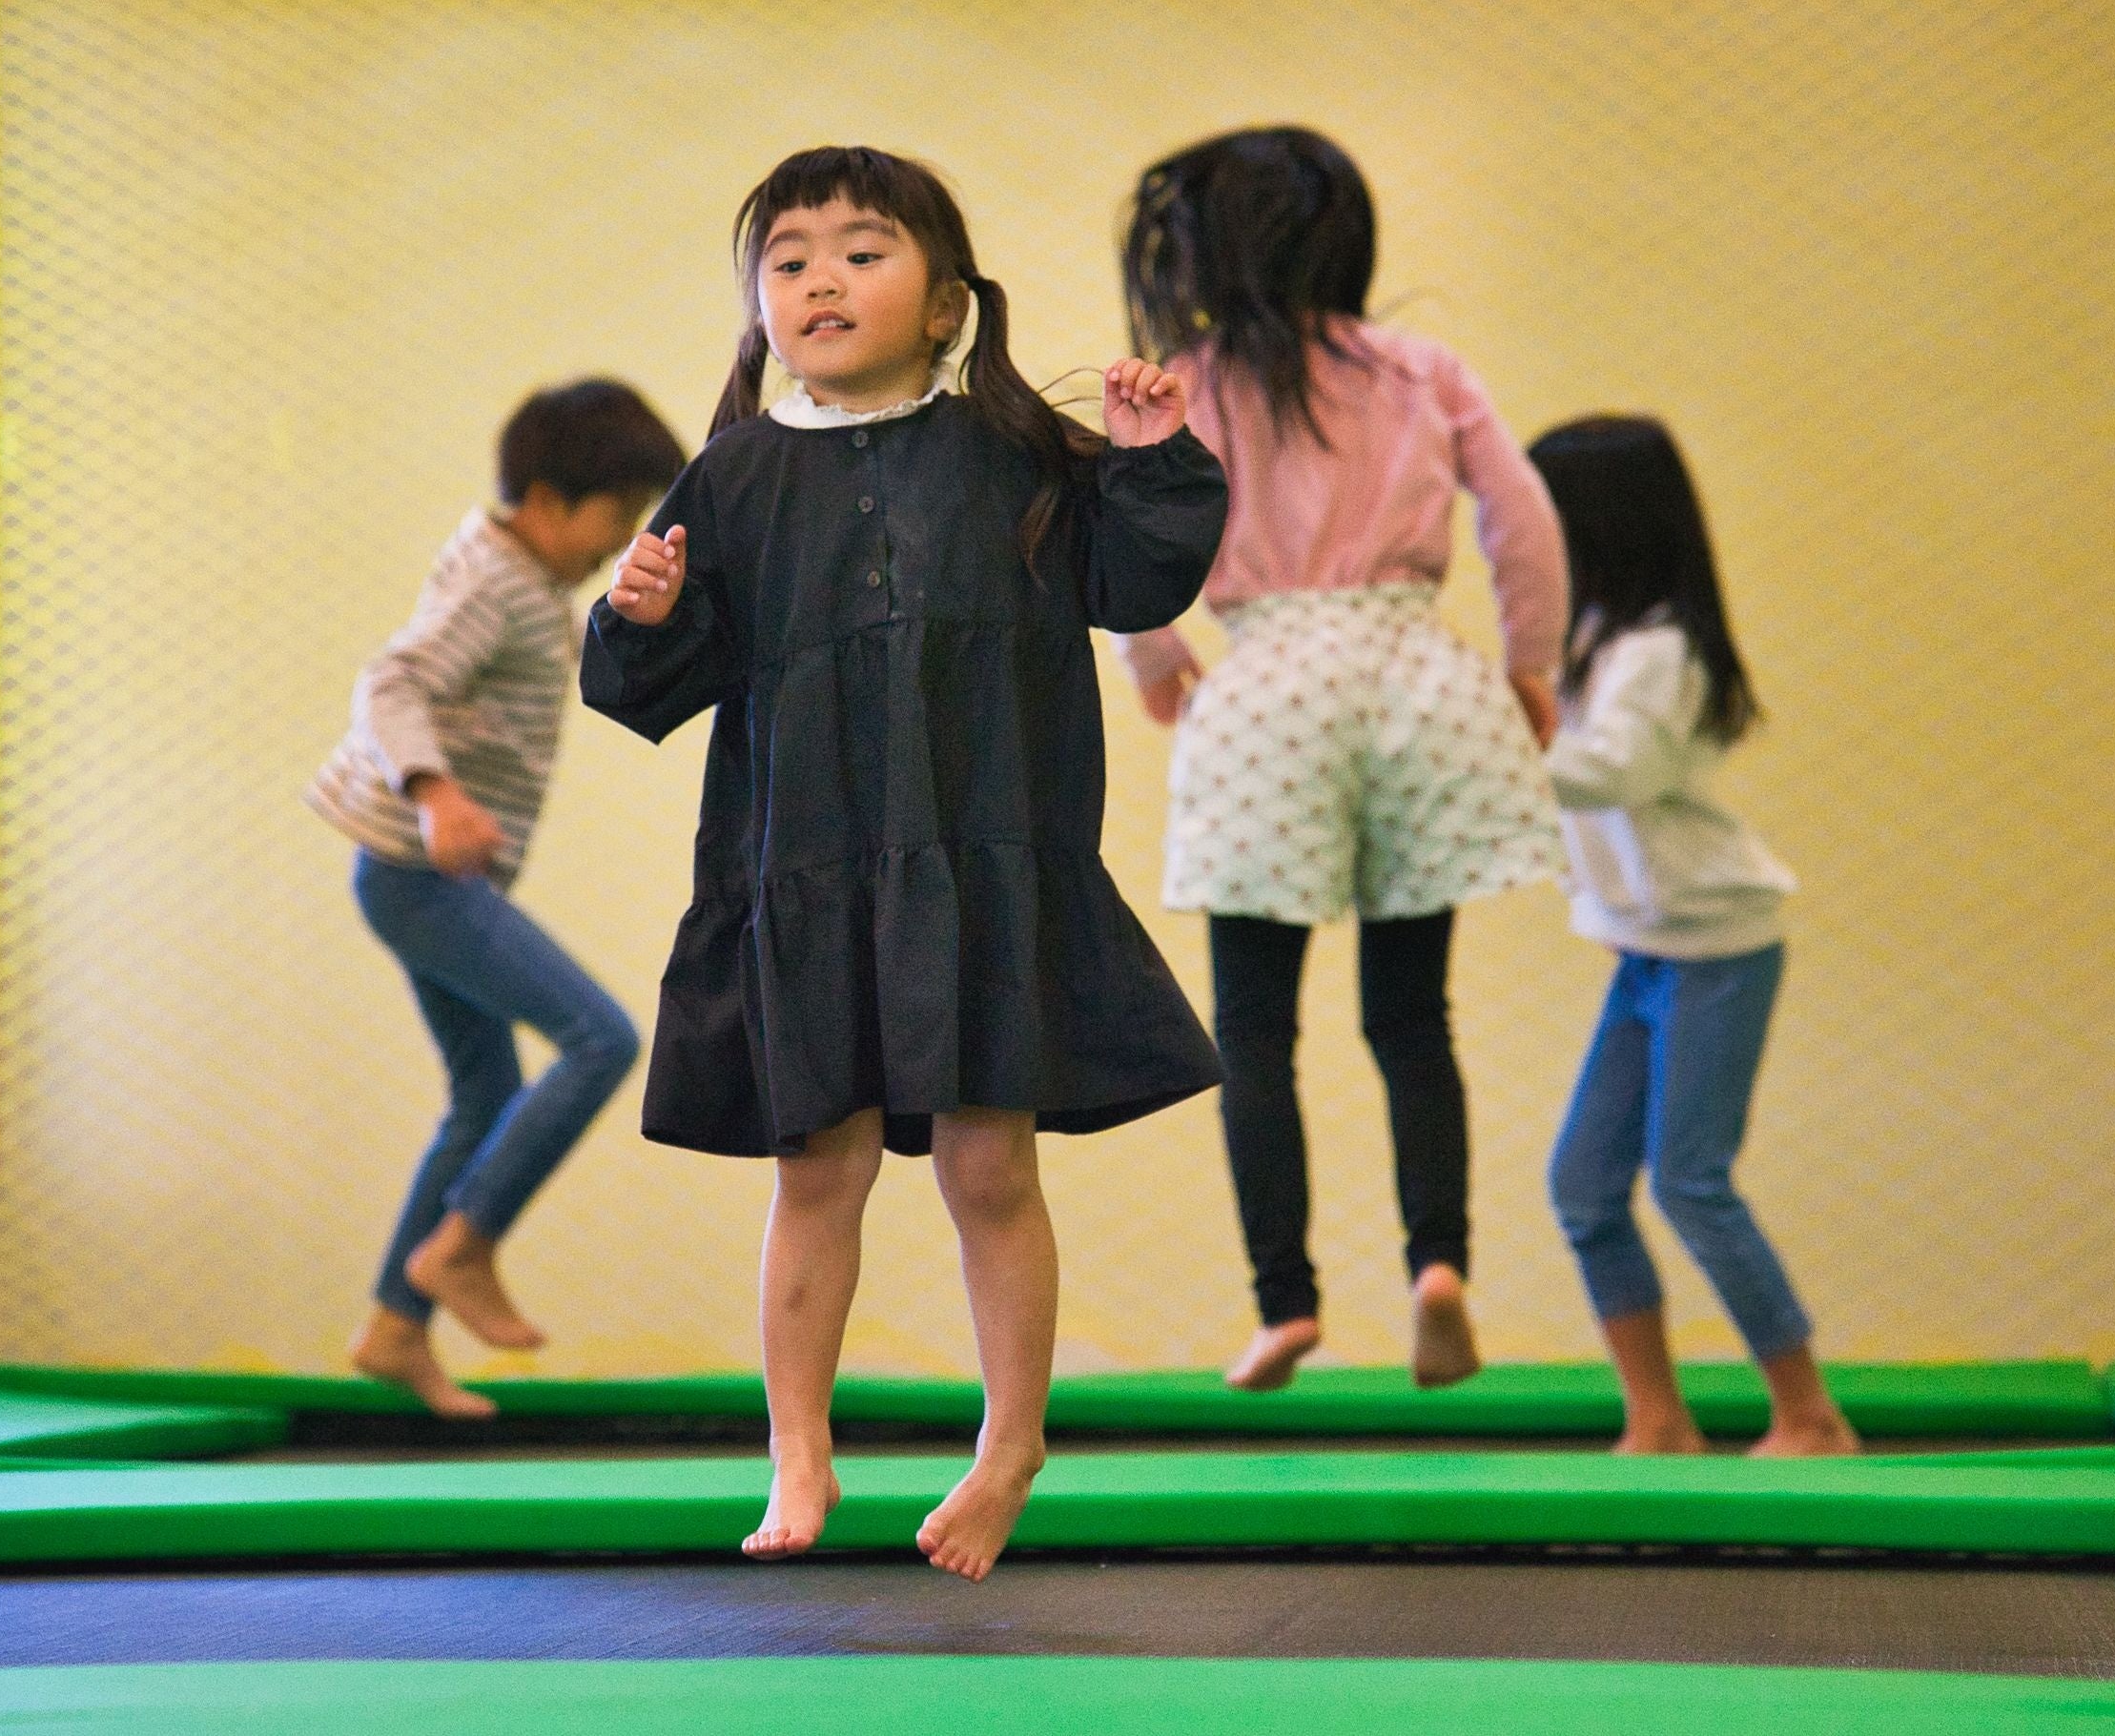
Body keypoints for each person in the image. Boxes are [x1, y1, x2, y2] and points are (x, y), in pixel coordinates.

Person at [583, 146, 1225, 1580]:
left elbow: (1136, 580)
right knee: (820, 1159)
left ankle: (1010, 1444)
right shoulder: (736, 474)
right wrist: (637, 610)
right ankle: (797, 1444)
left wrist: (1148, 457)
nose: (821, 275)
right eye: (791, 254)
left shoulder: (1015, 453)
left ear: (946, 304)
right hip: (806, 867)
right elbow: (643, 690)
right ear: (761, 305)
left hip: (987, 858)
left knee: (991, 1161)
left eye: (863, 249)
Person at [1115, 126, 1566, 1394]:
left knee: (1256, 1026)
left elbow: (1121, 534)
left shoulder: (1187, 381)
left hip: (1263, 685)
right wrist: (1530, 661)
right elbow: (1520, 517)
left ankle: (1285, 1302)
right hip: (1413, 675)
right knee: (1412, 1014)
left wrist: (1155, 660)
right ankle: (1439, 1265)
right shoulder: (1420, 367)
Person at [308, 379, 683, 1419]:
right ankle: (463, 1246)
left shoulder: (518, 574)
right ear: (551, 500)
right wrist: (433, 794)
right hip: (417, 873)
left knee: (483, 1094)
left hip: (422, 877)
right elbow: (389, 682)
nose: (615, 546)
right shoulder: (499, 584)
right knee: (599, 1037)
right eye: (614, 522)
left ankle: (394, 1325)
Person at [1530, 414, 1857, 1457]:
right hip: (1645, 947)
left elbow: (1618, 771)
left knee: (1690, 1180)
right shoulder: (1592, 639)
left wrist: (1492, 738)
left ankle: (1810, 1414)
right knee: (1584, 1185)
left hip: (1718, 945)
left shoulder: (1661, 647)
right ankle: (1657, 1416)